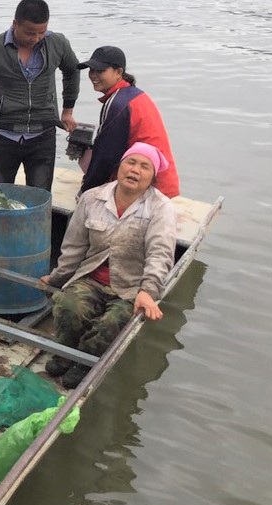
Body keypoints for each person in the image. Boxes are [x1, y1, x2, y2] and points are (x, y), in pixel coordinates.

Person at [41, 142, 176, 389]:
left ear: (152, 176)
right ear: (120, 166)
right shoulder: (93, 198)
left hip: (131, 286)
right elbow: (73, 248)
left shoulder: (161, 208)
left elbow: (160, 254)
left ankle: (86, 362)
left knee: (111, 323)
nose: (135, 170)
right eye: (131, 162)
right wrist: (56, 278)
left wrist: (148, 291)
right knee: (69, 305)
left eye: (144, 166)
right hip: (91, 279)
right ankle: (65, 353)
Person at [0, 0, 80, 191]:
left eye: (41, 32)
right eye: (29, 33)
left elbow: (73, 71)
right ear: (15, 23)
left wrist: (68, 111)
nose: (36, 38)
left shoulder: (58, 44)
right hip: (4, 134)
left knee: (40, 195)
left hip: (43, 134)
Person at [77, 46, 180, 197]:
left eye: (100, 71)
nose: (93, 75)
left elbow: (106, 157)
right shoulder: (132, 95)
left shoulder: (118, 103)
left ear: (118, 72)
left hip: (149, 187)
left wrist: (86, 192)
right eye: (91, 70)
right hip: (162, 180)